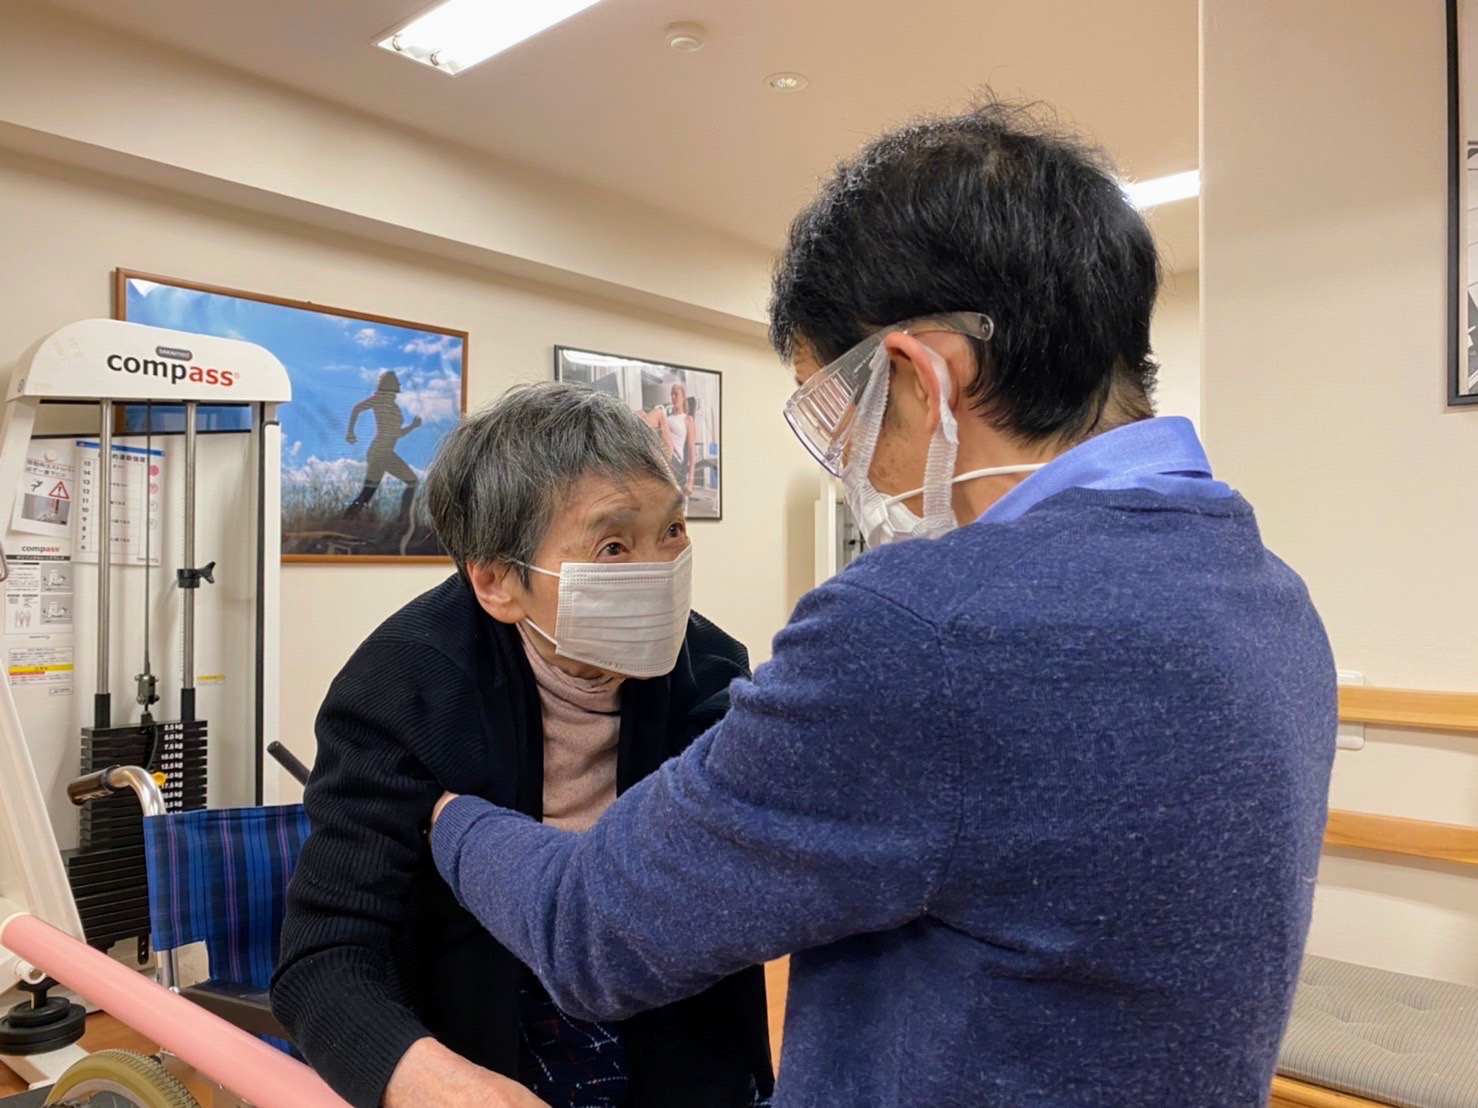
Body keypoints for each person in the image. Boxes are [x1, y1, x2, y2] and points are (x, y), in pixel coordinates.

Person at [426, 101, 1338, 1106]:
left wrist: (445, 815)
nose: (853, 461)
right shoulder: (1269, 593)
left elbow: (593, 934)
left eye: (840, 411)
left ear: (920, 374)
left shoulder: (919, 629)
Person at [272, 383, 773, 1108]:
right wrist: (431, 1081)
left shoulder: (713, 670)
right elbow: (325, 957)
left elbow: (696, 901)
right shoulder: (404, 691)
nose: (658, 571)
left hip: (673, 1047)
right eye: (612, 545)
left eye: (671, 530)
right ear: (496, 581)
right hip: (488, 1045)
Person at [343, 370, 423, 521]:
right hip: (380, 451)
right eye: (396, 381)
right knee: (411, 482)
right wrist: (350, 432)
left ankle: (348, 518)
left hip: (384, 452)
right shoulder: (380, 399)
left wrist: (413, 426)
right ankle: (402, 519)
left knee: (369, 491)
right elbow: (357, 408)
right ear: (390, 384)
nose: (399, 384)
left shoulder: (393, 407)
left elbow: (397, 434)